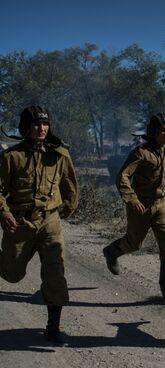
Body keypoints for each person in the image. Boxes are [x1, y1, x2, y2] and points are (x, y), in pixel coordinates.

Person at [0, 106, 78, 345]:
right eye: (36, 124)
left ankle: (52, 328)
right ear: (26, 127)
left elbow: (69, 182)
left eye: (45, 124)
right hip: (20, 222)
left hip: (49, 222)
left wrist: (70, 205)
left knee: (55, 273)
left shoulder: (59, 154)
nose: (42, 128)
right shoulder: (11, 157)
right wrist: (4, 213)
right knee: (12, 275)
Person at [102, 113, 165, 302]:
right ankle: (112, 252)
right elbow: (122, 176)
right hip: (140, 205)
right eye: (163, 130)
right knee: (134, 243)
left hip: (161, 205)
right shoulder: (141, 152)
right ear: (154, 132)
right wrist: (132, 200)